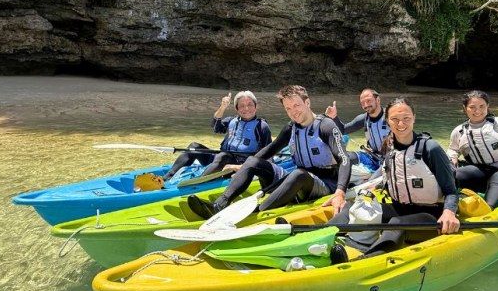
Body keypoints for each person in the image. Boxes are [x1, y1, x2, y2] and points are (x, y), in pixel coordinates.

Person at [188, 85, 351, 217]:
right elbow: (270, 150)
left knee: (298, 174)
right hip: (298, 179)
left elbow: (344, 159)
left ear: (307, 103)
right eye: (288, 108)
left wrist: (340, 192)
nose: (293, 111)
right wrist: (243, 167)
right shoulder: (290, 127)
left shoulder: (326, 126)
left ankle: (255, 213)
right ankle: (219, 205)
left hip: (325, 183)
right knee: (252, 161)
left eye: (296, 105)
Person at [328, 97, 459, 256]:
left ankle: (365, 260)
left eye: (406, 118)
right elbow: (392, 177)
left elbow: (451, 190)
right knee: (352, 208)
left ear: (414, 118)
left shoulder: (430, 148)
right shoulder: (389, 147)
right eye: (395, 119)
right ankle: (318, 237)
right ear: (387, 121)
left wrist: (449, 212)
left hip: (431, 215)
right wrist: (369, 189)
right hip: (400, 208)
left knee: (396, 223)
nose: (401, 124)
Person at [446, 90, 498, 209]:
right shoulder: (459, 131)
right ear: (465, 108)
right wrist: (452, 157)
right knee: (457, 174)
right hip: (481, 171)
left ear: (488, 106)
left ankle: (488, 210)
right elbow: (452, 149)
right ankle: (449, 206)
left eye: (482, 106)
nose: (478, 111)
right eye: (472, 107)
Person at [162, 91, 272, 181]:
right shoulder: (232, 121)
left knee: (223, 156)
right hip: (218, 161)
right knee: (194, 146)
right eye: (242, 106)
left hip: (237, 165)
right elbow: (215, 126)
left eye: (250, 105)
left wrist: (241, 168)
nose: (246, 109)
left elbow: (269, 155)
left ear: (256, 107)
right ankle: (167, 178)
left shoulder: (261, 127)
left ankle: (198, 181)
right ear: (237, 109)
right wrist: (223, 106)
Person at [325, 88, 390, 168]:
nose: (366, 105)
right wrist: (334, 117)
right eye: (363, 103)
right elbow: (344, 130)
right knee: (342, 158)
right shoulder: (363, 119)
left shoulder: (390, 117)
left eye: (369, 101)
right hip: (372, 157)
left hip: (391, 159)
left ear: (378, 100)